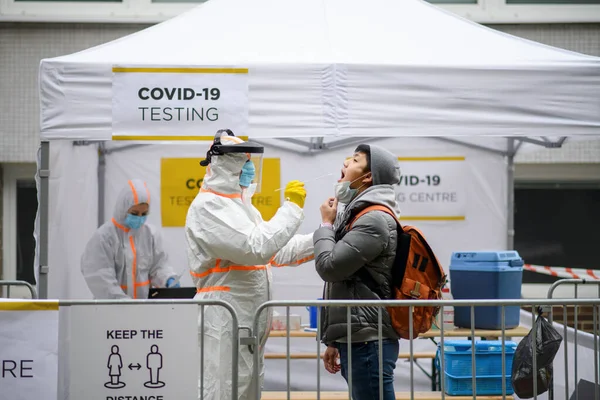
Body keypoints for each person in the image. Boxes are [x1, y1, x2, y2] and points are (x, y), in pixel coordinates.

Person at [185, 130, 315, 400]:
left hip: (247, 323)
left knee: (246, 391)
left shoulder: (243, 208)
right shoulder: (208, 207)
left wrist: (325, 235)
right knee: (221, 391)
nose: (250, 170)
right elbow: (257, 248)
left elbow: (278, 251)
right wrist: (291, 208)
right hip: (225, 320)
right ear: (226, 166)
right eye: (244, 163)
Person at [314, 144, 401, 400]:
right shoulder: (357, 214)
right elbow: (348, 280)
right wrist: (334, 339)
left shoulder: (373, 219)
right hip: (357, 337)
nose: (345, 162)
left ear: (368, 177)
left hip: (368, 341)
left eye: (354, 160)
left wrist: (326, 225)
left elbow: (329, 267)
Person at [81, 179, 179, 299]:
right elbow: (100, 277)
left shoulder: (150, 235)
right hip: (111, 310)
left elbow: (159, 266)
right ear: (123, 208)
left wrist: (168, 278)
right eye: (134, 213)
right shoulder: (104, 237)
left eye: (144, 214)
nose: (139, 217)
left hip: (143, 308)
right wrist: (121, 301)